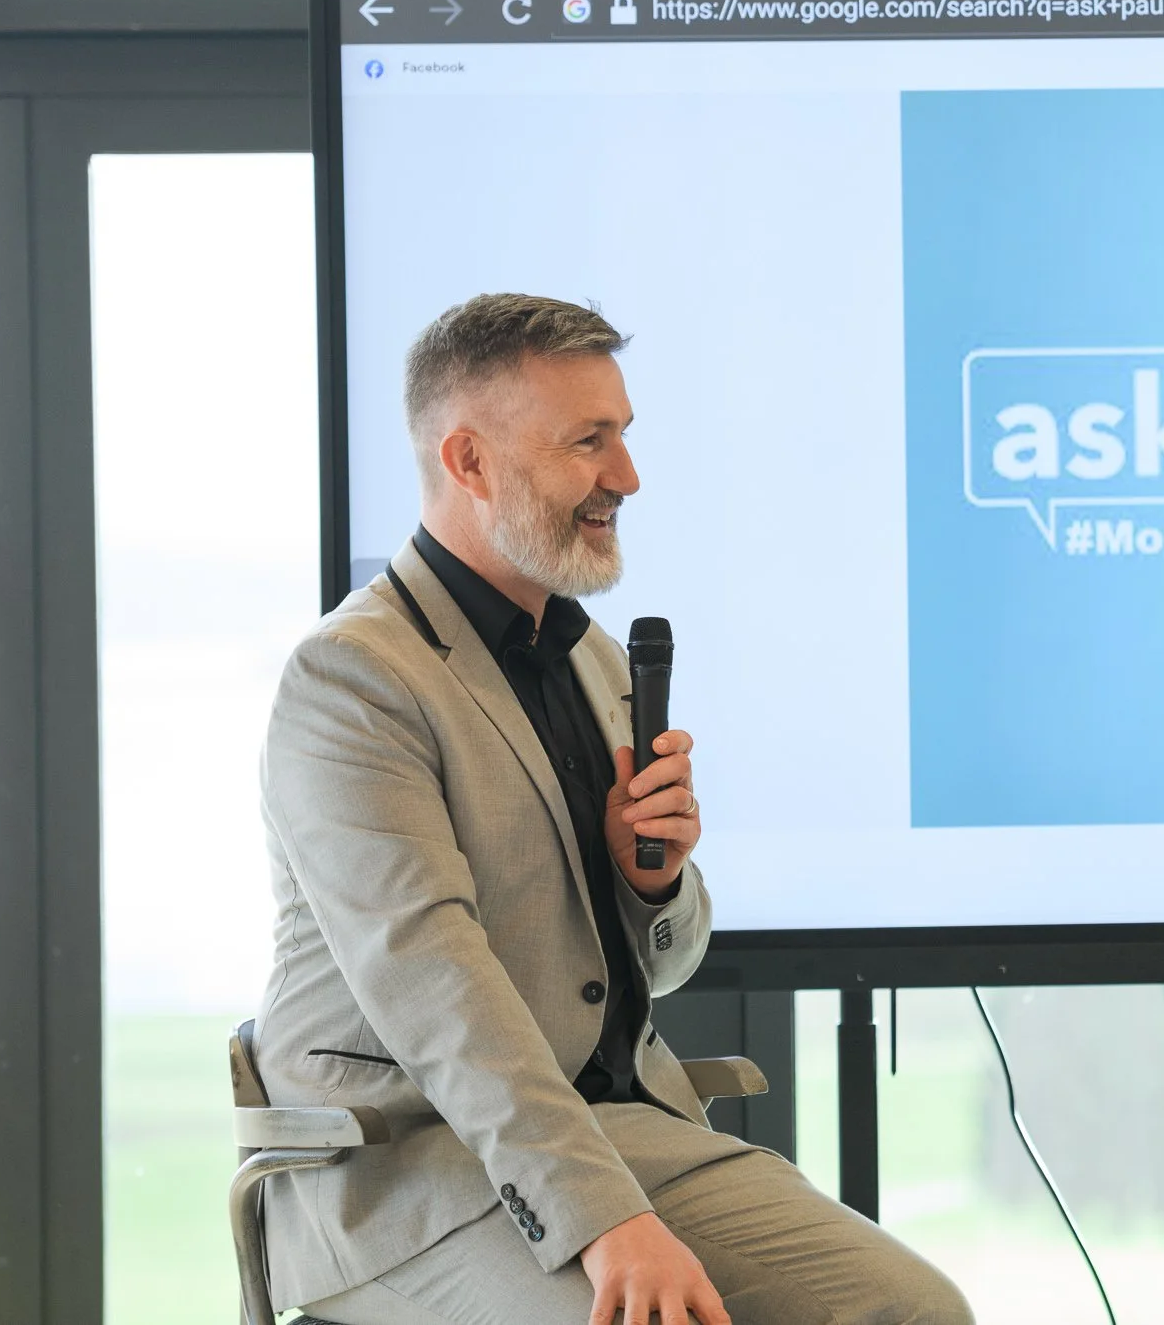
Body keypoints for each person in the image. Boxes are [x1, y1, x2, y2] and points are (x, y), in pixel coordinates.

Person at [256, 294, 970, 1325]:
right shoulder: (353, 680)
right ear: (469, 462)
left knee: (911, 1308)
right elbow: (436, 986)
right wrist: (605, 1223)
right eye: (590, 441)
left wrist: (655, 881)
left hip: (619, 1130)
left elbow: (661, 964)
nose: (625, 476)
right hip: (404, 1168)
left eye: (624, 436)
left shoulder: (593, 659)